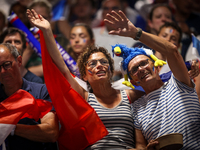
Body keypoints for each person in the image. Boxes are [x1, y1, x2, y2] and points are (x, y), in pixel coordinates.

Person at [27, 8, 146, 149]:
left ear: (111, 69)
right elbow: (63, 69)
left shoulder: (131, 95)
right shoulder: (84, 98)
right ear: (84, 76)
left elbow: (141, 144)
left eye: (103, 62)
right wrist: (47, 31)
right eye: (92, 64)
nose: (99, 66)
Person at [104, 10, 200, 149]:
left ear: (155, 65)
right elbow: (140, 146)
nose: (141, 69)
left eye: (144, 63)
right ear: (133, 81)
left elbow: (171, 51)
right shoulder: (136, 109)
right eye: (135, 70)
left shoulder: (178, 81)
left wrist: (136, 33)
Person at [0, 43, 59, 150]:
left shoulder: (41, 91)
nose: (2, 71)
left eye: (7, 64)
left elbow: (51, 132)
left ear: (19, 61)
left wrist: (11, 128)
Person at [92, 0, 138, 81]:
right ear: (102, 14)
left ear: (124, 12)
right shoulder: (92, 34)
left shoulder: (134, 36)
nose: (110, 12)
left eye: (115, 8)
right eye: (106, 8)